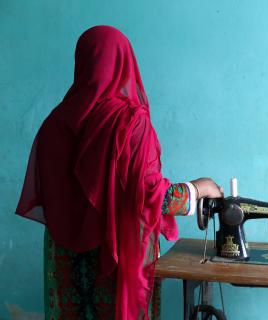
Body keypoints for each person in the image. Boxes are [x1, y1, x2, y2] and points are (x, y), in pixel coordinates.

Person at [15, 25, 223, 320]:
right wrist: (200, 188)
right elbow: (155, 197)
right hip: (116, 264)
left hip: (64, 262)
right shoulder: (130, 123)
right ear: (125, 63)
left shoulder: (53, 125)